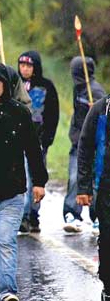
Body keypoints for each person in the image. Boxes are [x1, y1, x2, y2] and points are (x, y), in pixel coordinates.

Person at [0, 62, 47, 301]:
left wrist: (39, 182)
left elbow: (33, 150)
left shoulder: (20, 113)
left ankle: (7, 292)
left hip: (11, 194)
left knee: (5, 242)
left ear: (6, 84)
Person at [17, 51, 59, 233]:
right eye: (22, 65)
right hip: (19, 138)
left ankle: (34, 216)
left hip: (39, 139)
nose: (25, 69)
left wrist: (47, 139)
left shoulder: (46, 86)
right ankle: (24, 216)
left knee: (37, 178)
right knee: (25, 178)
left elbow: (53, 115)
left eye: (29, 65)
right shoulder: (14, 84)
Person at [76, 86, 110, 300]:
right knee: (107, 238)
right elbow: (85, 148)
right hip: (106, 187)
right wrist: (84, 188)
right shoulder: (100, 110)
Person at [66, 55, 105, 234]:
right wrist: (74, 134)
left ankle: (97, 216)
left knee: (96, 182)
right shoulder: (77, 89)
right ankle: (72, 213)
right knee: (74, 178)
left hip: (95, 144)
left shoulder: (96, 92)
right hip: (78, 142)